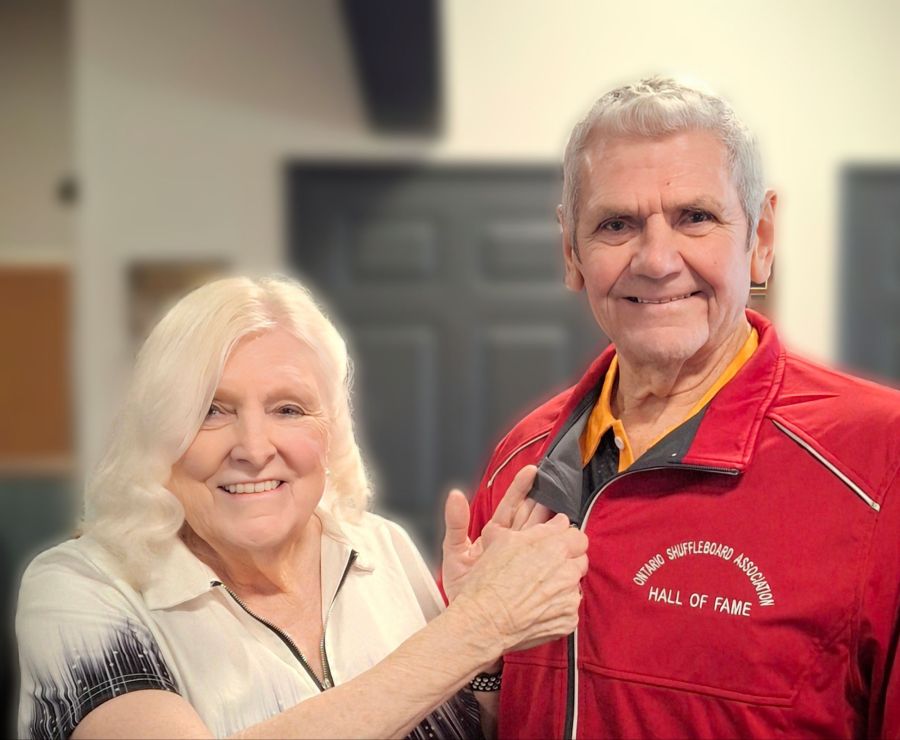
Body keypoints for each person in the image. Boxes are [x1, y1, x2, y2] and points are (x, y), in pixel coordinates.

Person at [465, 77, 900, 738]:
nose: (657, 260)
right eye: (616, 225)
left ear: (760, 236)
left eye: (695, 217)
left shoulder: (880, 462)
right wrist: (475, 655)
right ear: (571, 251)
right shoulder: (521, 461)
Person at [16, 276, 588, 739]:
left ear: (331, 431)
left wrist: (485, 665)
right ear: (158, 432)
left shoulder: (381, 547)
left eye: (288, 409)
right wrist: (478, 627)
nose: (254, 448)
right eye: (211, 410)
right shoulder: (83, 588)